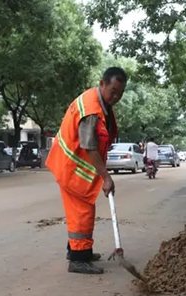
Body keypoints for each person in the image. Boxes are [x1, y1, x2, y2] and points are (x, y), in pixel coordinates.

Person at [46, 67, 127, 275]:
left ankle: (79, 250)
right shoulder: (91, 110)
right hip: (71, 169)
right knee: (82, 214)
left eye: (120, 93)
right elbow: (90, 146)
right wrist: (106, 177)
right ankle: (78, 259)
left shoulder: (100, 104)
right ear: (102, 84)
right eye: (113, 91)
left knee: (80, 213)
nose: (116, 97)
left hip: (74, 167)